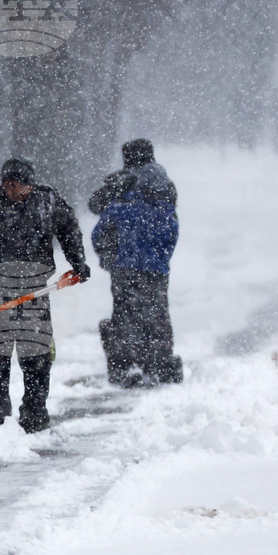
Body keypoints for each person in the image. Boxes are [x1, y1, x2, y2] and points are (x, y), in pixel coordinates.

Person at [0, 158, 90, 433]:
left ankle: (35, 414)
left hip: (35, 290)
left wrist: (78, 262)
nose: (14, 191)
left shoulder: (47, 201)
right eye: (8, 185)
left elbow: (69, 229)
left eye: (19, 185)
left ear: (30, 184)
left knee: (36, 354)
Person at [92, 160, 182, 388]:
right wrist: (160, 261)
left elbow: (99, 234)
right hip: (154, 273)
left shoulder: (124, 207)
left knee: (127, 316)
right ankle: (157, 364)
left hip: (126, 270)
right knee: (156, 318)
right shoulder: (167, 213)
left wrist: (109, 258)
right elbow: (170, 243)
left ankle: (128, 364)